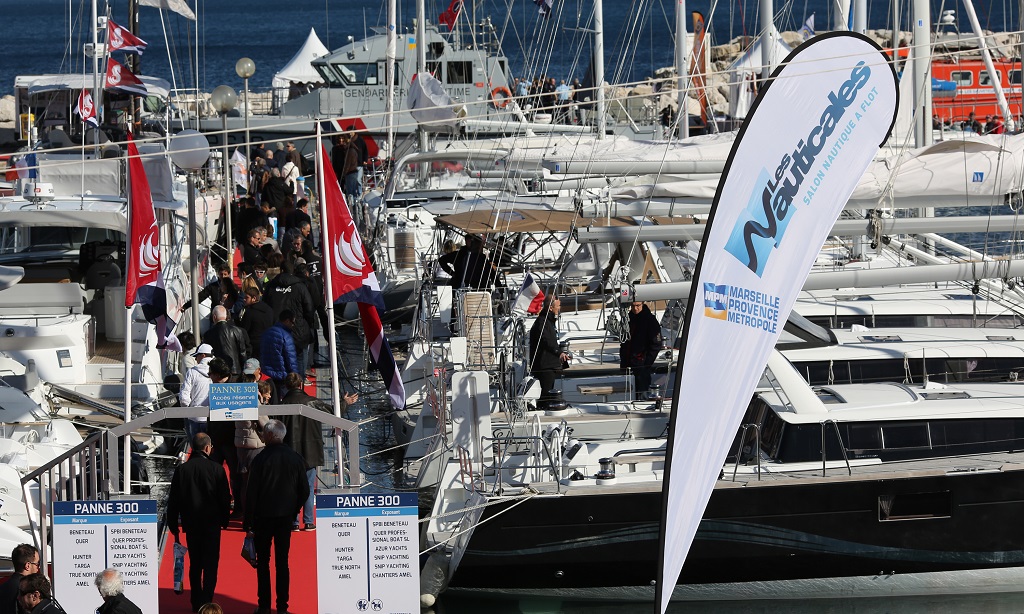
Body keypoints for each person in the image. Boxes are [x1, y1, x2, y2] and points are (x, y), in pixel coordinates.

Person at [244, 419, 309, 614]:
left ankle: (264, 606)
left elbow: (251, 493)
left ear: (270, 435)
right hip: (284, 518)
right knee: (283, 562)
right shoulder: (295, 458)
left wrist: (249, 522)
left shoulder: (260, 459)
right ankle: (282, 607)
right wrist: (293, 509)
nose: (262, 435)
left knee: (263, 563)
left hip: (263, 517)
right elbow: (304, 491)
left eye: (264, 432)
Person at [280, 373, 357, 530]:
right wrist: (345, 403)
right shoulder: (311, 402)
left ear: (286, 386)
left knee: (291, 487)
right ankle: (308, 521)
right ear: (301, 385)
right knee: (308, 486)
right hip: (310, 450)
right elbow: (332, 412)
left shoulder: (282, 404)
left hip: (289, 451)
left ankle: (294, 521)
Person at [166, 433, 231, 612]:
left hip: (191, 524)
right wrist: (225, 520)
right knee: (210, 564)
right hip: (211, 524)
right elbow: (225, 498)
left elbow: (174, 500)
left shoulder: (182, 470)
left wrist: (173, 524)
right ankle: (206, 600)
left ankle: (195, 600)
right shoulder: (217, 469)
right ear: (208, 448)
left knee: (195, 564)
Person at [529, 296, 568, 408]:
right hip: (545, 366)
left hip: (549, 365)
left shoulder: (547, 321)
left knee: (548, 393)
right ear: (550, 308)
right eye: (558, 306)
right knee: (545, 395)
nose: (559, 308)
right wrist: (558, 353)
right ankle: (542, 409)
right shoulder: (543, 322)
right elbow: (546, 341)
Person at [619, 301, 663, 398]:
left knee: (642, 394)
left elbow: (657, 343)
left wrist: (647, 363)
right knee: (630, 395)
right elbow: (624, 341)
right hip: (628, 364)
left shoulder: (650, 320)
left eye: (638, 306)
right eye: (633, 306)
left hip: (641, 365)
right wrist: (623, 361)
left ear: (642, 304)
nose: (635, 309)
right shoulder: (628, 318)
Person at [260, 310, 300, 396]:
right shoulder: (286, 336)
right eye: (292, 322)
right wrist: (296, 376)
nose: (293, 325)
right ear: (287, 321)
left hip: (267, 373)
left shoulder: (267, 332)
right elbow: (291, 359)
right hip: (282, 374)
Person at [203, 305, 251, 376]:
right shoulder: (237, 331)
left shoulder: (208, 334)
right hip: (236, 371)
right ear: (226, 316)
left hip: (218, 372)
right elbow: (243, 353)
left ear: (214, 317)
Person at [0, 544, 39, 614]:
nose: (38, 568)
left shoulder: (2, 587)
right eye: (37, 564)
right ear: (27, 566)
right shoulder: (28, 590)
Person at [238, 287, 275, 357]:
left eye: (247, 297)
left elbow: (244, 329)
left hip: (254, 346)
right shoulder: (269, 309)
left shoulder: (249, 312)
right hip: (268, 343)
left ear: (254, 298)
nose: (244, 299)